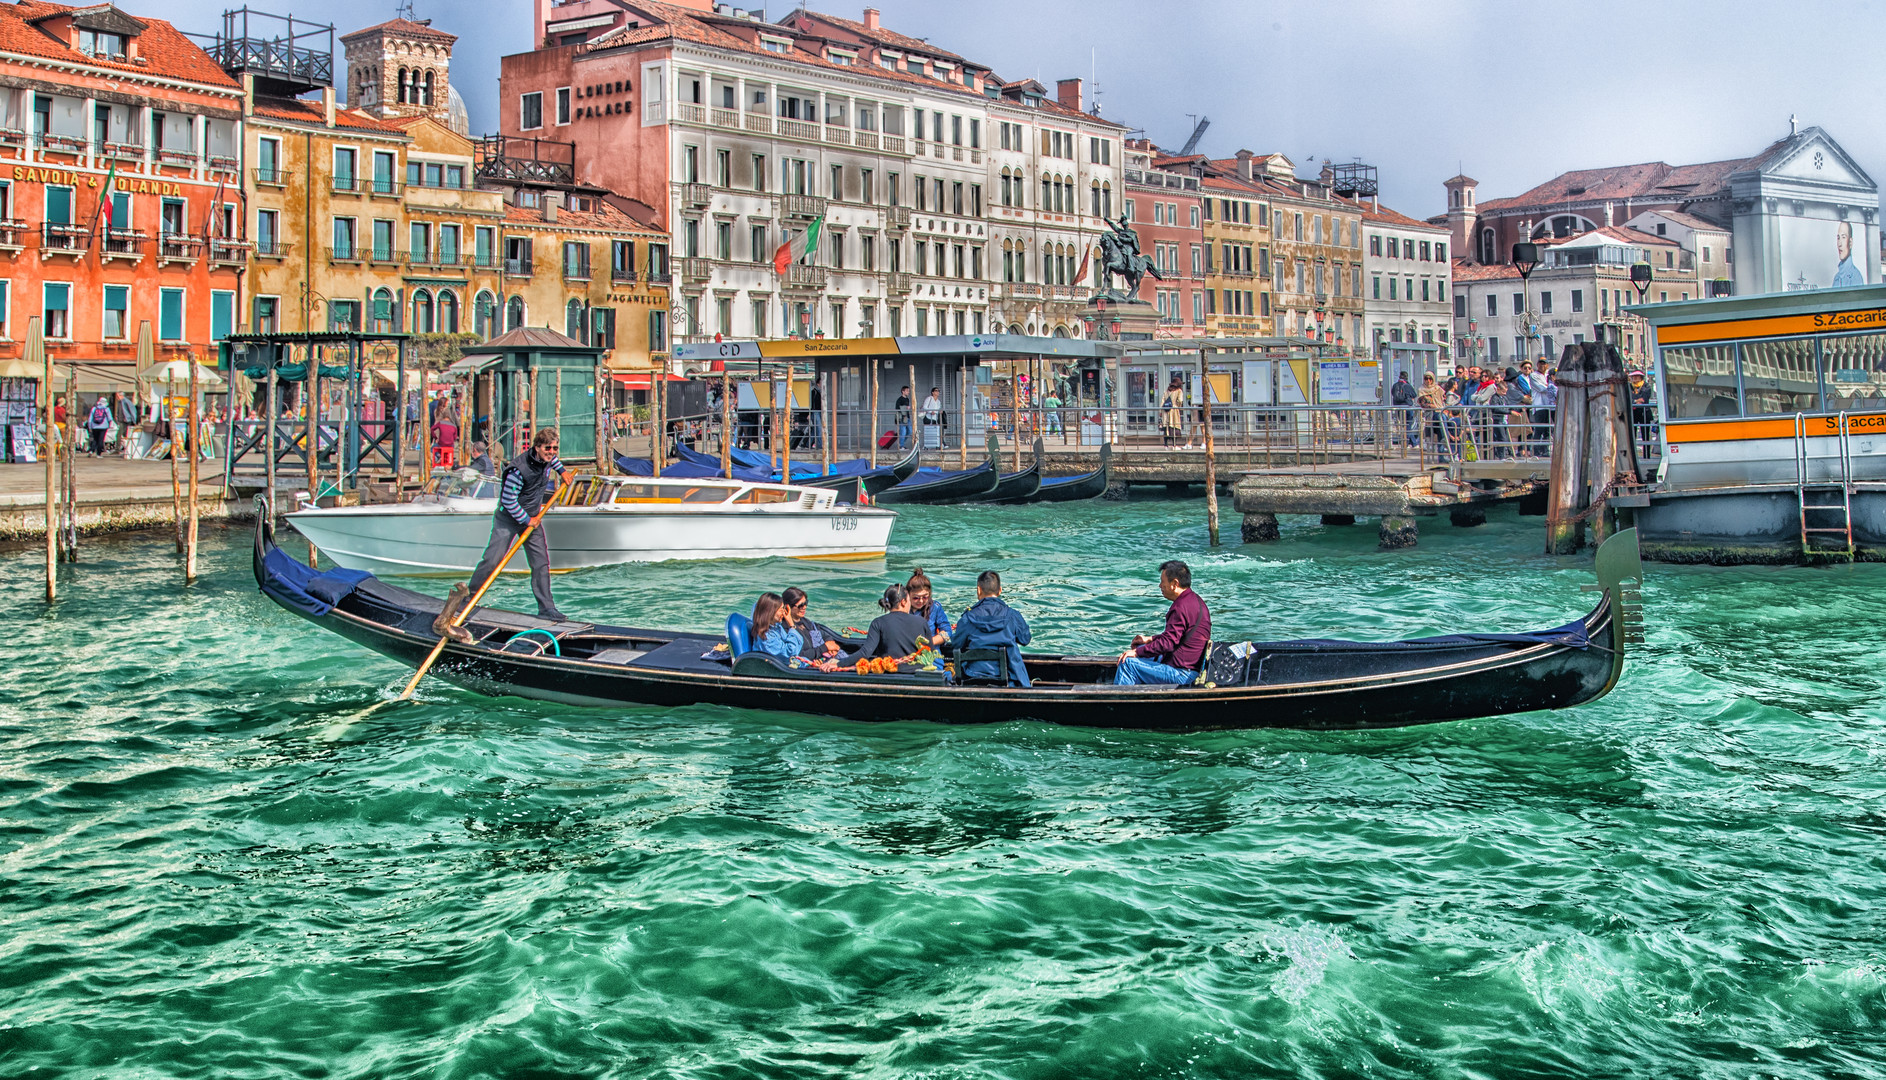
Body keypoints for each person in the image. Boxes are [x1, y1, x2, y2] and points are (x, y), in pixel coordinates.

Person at [467, 426, 567, 622]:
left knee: (541, 564)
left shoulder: (548, 459)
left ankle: (547, 608)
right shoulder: (518, 470)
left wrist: (562, 472)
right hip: (509, 519)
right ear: (537, 447)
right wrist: (527, 520)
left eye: (555, 448)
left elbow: (553, 461)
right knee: (492, 560)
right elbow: (508, 501)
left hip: (532, 520)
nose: (552, 452)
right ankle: (469, 597)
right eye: (548, 448)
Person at [1115, 560, 1212, 685]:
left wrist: (1136, 652)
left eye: (1162, 582)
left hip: (1182, 673)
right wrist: (1149, 639)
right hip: (1192, 667)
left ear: (1174, 584)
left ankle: (1120, 700)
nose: (1160, 586)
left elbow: (1168, 643)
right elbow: (1177, 637)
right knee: (1140, 649)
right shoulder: (1197, 601)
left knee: (1127, 664)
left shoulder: (1180, 608)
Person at [951, 570, 1031, 686]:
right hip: (1010, 680)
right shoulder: (1012, 615)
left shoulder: (967, 618)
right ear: (1000, 590)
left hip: (972, 677)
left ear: (979, 590)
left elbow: (956, 644)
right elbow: (1025, 639)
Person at [823, 584, 930, 668]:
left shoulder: (878, 623)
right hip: (916, 673)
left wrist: (838, 664)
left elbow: (865, 652)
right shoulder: (922, 622)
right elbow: (929, 654)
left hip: (889, 674)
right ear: (903, 602)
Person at [781, 586, 842, 659]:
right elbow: (798, 654)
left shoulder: (806, 622)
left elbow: (824, 634)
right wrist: (825, 647)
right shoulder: (785, 628)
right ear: (788, 607)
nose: (804, 607)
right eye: (800, 605)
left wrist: (831, 645)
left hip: (823, 657)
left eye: (805, 603)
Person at [750, 592, 803, 660]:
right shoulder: (766, 637)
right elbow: (791, 652)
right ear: (770, 612)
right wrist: (791, 625)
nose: (784, 613)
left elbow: (799, 643)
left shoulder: (776, 627)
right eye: (781, 610)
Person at [906, 567, 952, 645]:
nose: (921, 601)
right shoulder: (902, 609)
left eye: (925, 597)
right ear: (908, 595)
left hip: (931, 651)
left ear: (929, 594)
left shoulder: (935, 607)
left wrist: (929, 642)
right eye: (916, 598)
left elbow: (947, 632)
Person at [1833, 220, 1865, 288]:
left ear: (1850, 242)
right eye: (1838, 238)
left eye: (1843, 237)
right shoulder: (1836, 278)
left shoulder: (1855, 276)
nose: (1839, 244)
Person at [1390, 371, 1416, 448]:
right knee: (1408, 424)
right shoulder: (1407, 385)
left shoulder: (1395, 385)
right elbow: (1414, 394)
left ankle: (1413, 443)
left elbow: (1392, 394)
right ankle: (1406, 443)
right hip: (1407, 407)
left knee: (1403, 425)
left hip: (1398, 407)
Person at [1160, 374, 1185, 448]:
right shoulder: (1179, 391)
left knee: (1166, 427)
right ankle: (1174, 445)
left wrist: (1161, 411)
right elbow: (1180, 400)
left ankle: (1166, 445)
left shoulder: (1167, 390)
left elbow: (1162, 401)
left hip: (1165, 410)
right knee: (1174, 427)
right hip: (1174, 410)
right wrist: (1179, 406)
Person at [894, 384, 912, 448]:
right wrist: (905, 407)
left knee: (910, 431)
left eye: (908, 391)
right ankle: (901, 446)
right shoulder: (899, 399)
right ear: (903, 391)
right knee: (903, 432)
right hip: (902, 418)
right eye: (907, 391)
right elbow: (897, 408)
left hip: (907, 417)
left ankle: (901, 443)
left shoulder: (907, 399)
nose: (908, 392)